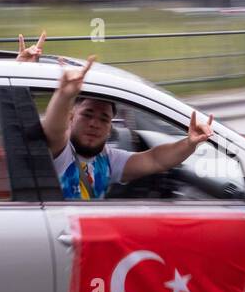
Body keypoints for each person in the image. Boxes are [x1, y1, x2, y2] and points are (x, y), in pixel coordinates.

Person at [17, 31, 215, 200]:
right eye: (87, 114)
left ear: (111, 126)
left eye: (104, 119)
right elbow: (54, 128)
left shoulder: (108, 160)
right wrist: (64, 94)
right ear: (71, 116)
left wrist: (190, 143)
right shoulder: (59, 150)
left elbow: (156, 160)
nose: (95, 123)